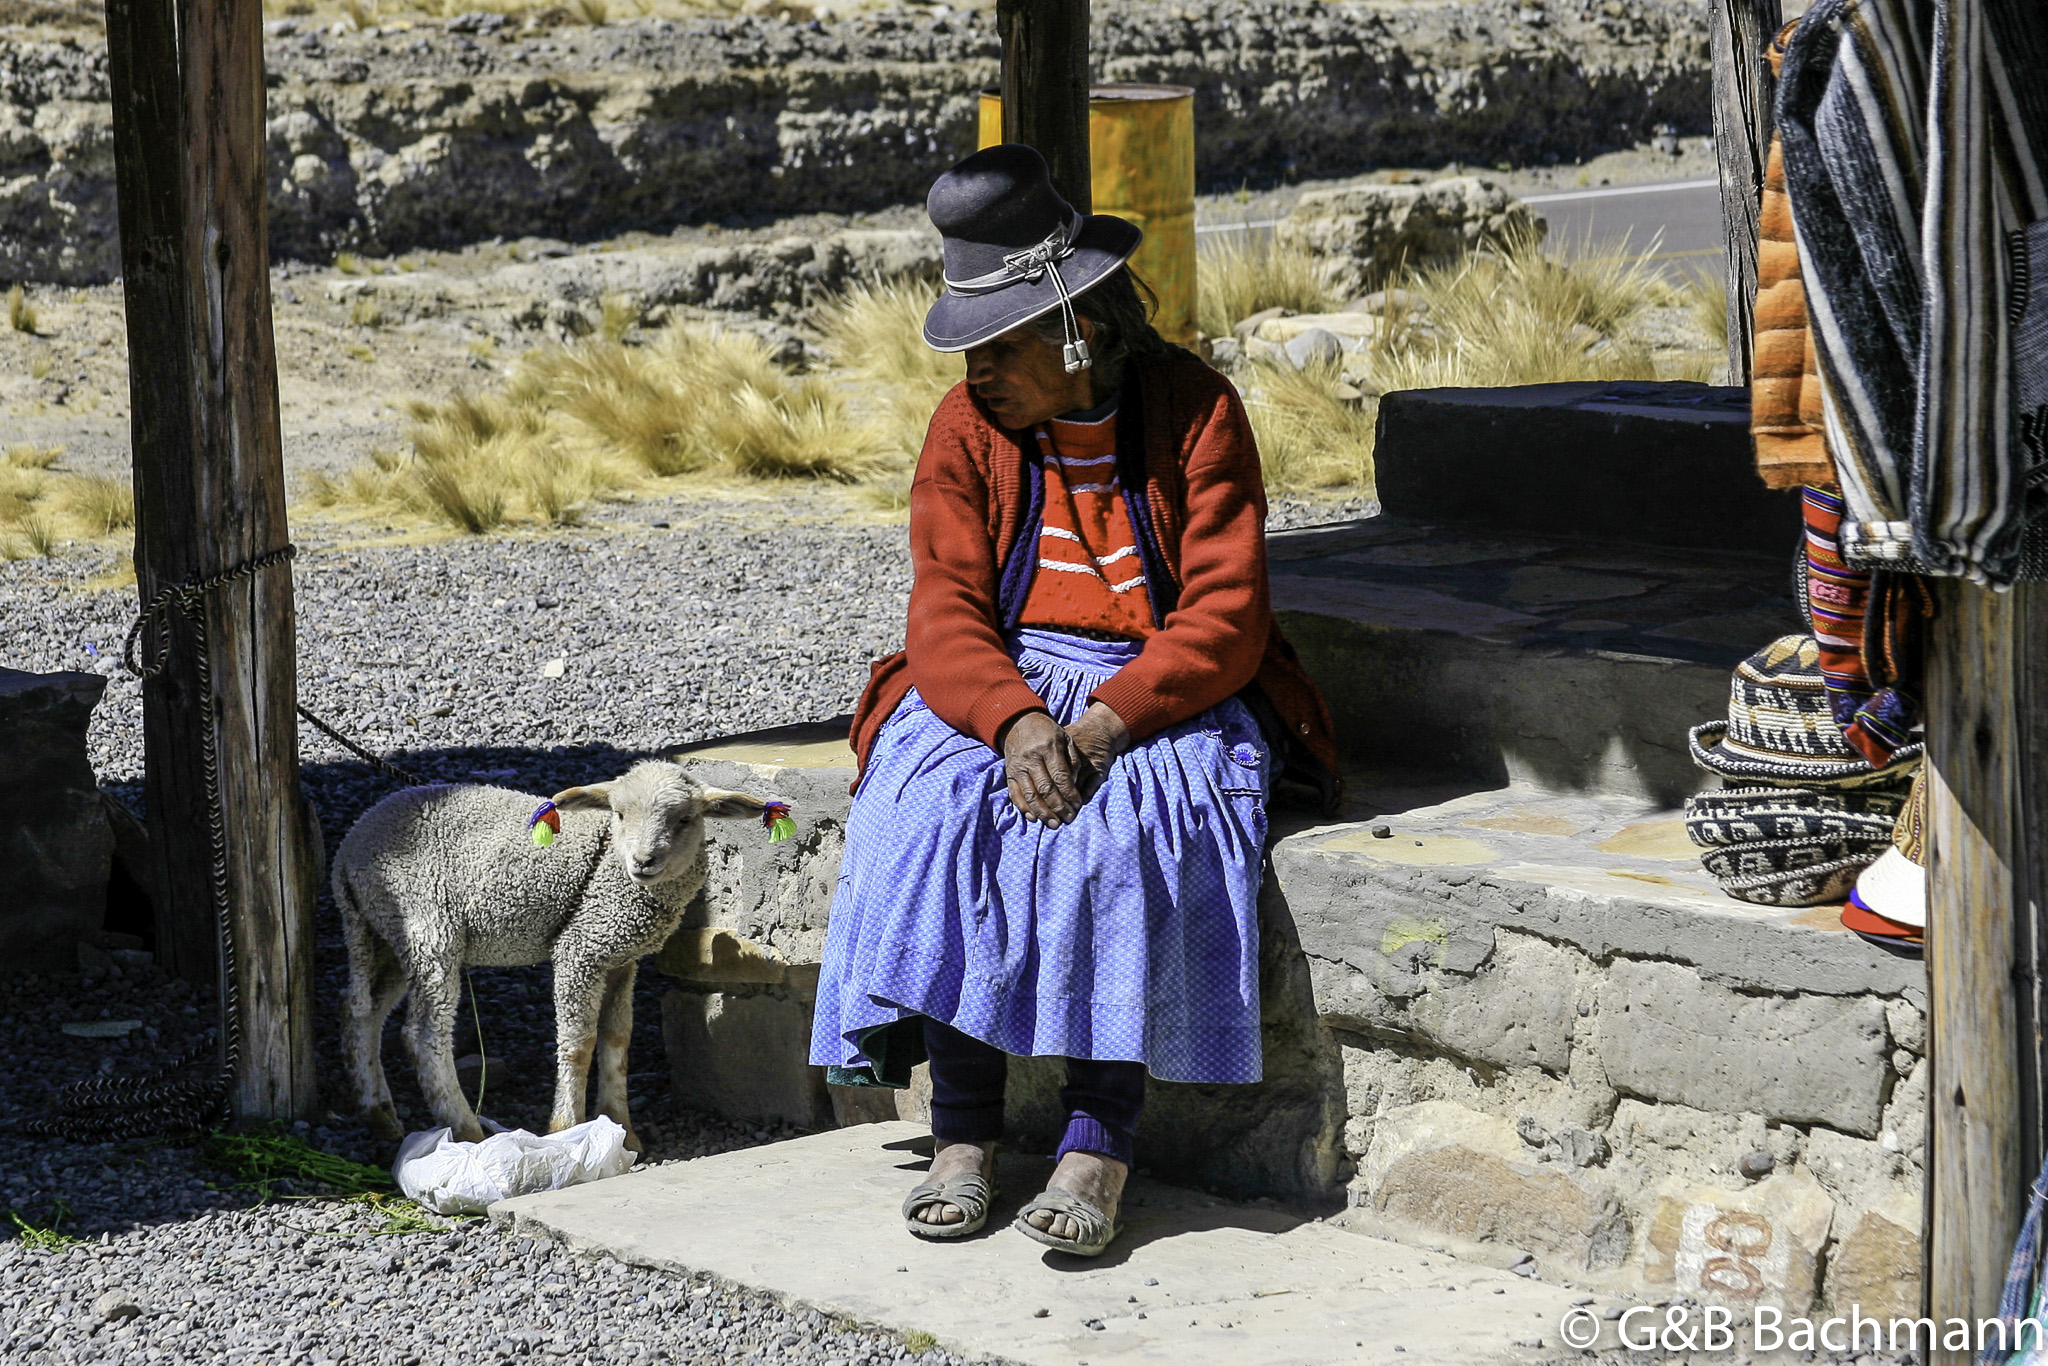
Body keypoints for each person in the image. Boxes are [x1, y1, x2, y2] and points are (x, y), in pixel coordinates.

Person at [808, 143, 1338, 1257]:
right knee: (934, 818)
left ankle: (1098, 1142)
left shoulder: (1195, 411)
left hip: (1156, 687)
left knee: (1120, 835)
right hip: (999, 682)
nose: (978, 373)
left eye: (998, 346)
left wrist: (1103, 724)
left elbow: (1225, 616)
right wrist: (1012, 720)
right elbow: (944, 607)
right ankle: (962, 1131)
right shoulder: (965, 432)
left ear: (1076, 330)